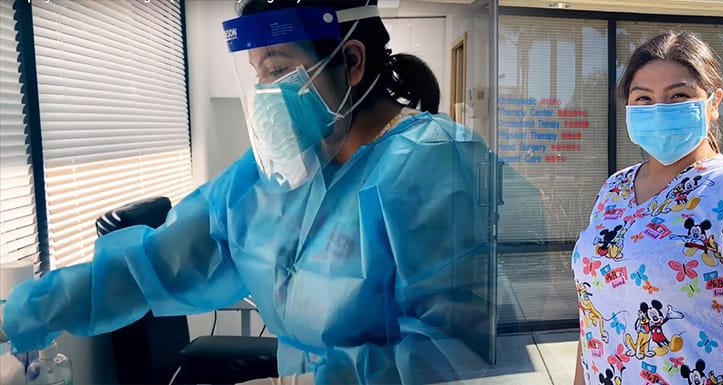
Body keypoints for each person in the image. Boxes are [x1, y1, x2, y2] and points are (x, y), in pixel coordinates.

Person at [0, 1, 500, 383]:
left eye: (279, 70)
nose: (265, 91)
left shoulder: (434, 162)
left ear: (350, 60)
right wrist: (22, 313)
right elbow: (154, 264)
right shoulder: (271, 176)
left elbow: (453, 350)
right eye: (258, 72)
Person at [571, 31, 723, 385]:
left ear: (713, 103)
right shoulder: (614, 189)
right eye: (643, 98)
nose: (659, 110)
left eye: (678, 95)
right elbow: (594, 324)